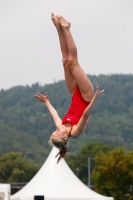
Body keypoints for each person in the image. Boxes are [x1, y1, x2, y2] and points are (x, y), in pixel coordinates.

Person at [35, 13, 104, 163]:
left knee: (65, 61)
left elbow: (54, 114)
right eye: (57, 132)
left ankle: (59, 29)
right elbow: (85, 115)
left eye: (55, 131)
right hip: (86, 96)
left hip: (74, 93)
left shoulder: (61, 125)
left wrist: (46, 102)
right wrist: (95, 98)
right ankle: (67, 28)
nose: (57, 129)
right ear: (65, 137)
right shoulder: (74, 132)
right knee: (73, 62)